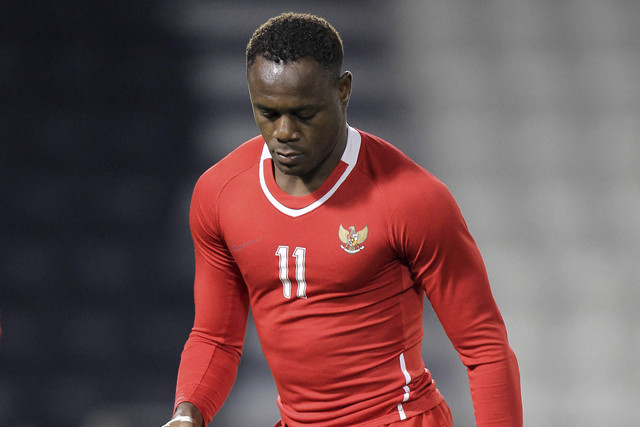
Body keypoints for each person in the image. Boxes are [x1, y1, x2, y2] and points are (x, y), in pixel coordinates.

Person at [163, 12, 522, 427]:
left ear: (343, 90)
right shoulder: (219, 194)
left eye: (304, 113)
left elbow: (485, 348)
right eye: (267, 112)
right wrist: (188, 412)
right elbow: (216, 337)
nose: (284, 131)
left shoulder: (411, 198)